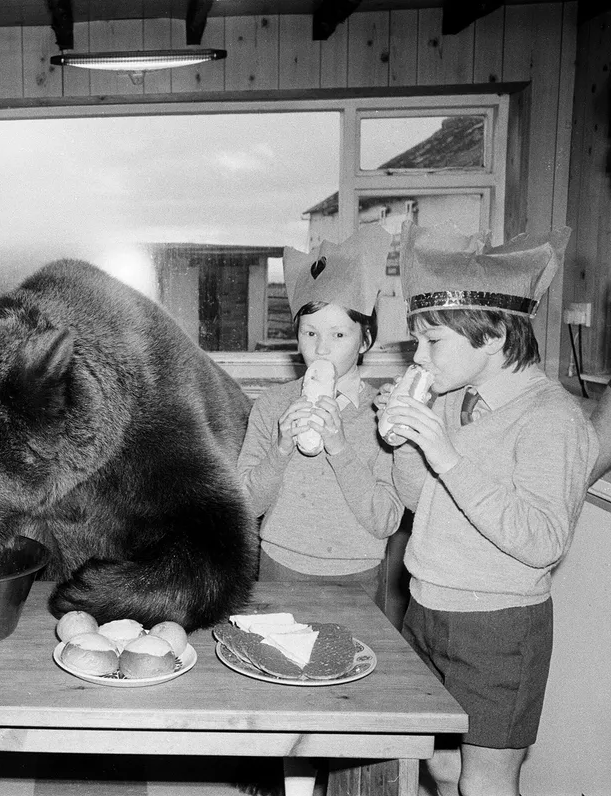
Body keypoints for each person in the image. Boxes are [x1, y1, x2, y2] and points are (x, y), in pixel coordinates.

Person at [381, 223, 595, 796]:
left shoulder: (553, 418)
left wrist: (446, 455)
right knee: (444, 768)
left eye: (433, 342)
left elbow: (544, 539)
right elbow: (417, 502)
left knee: (486, 784)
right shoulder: (452, 399)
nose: (418, 356)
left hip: (500, 627)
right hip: (427, 608)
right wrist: (405, 439)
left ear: (496, 334)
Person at [238, 225, 403, 604]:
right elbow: (245, 506)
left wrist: (341, 448)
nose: (322, 349)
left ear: (366, 340)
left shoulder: (385, 412)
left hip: (356, 575)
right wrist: (279, 450)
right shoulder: (272, 406)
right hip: (279, 564)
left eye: (339, 336)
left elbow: (386, 520)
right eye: (310, 334)